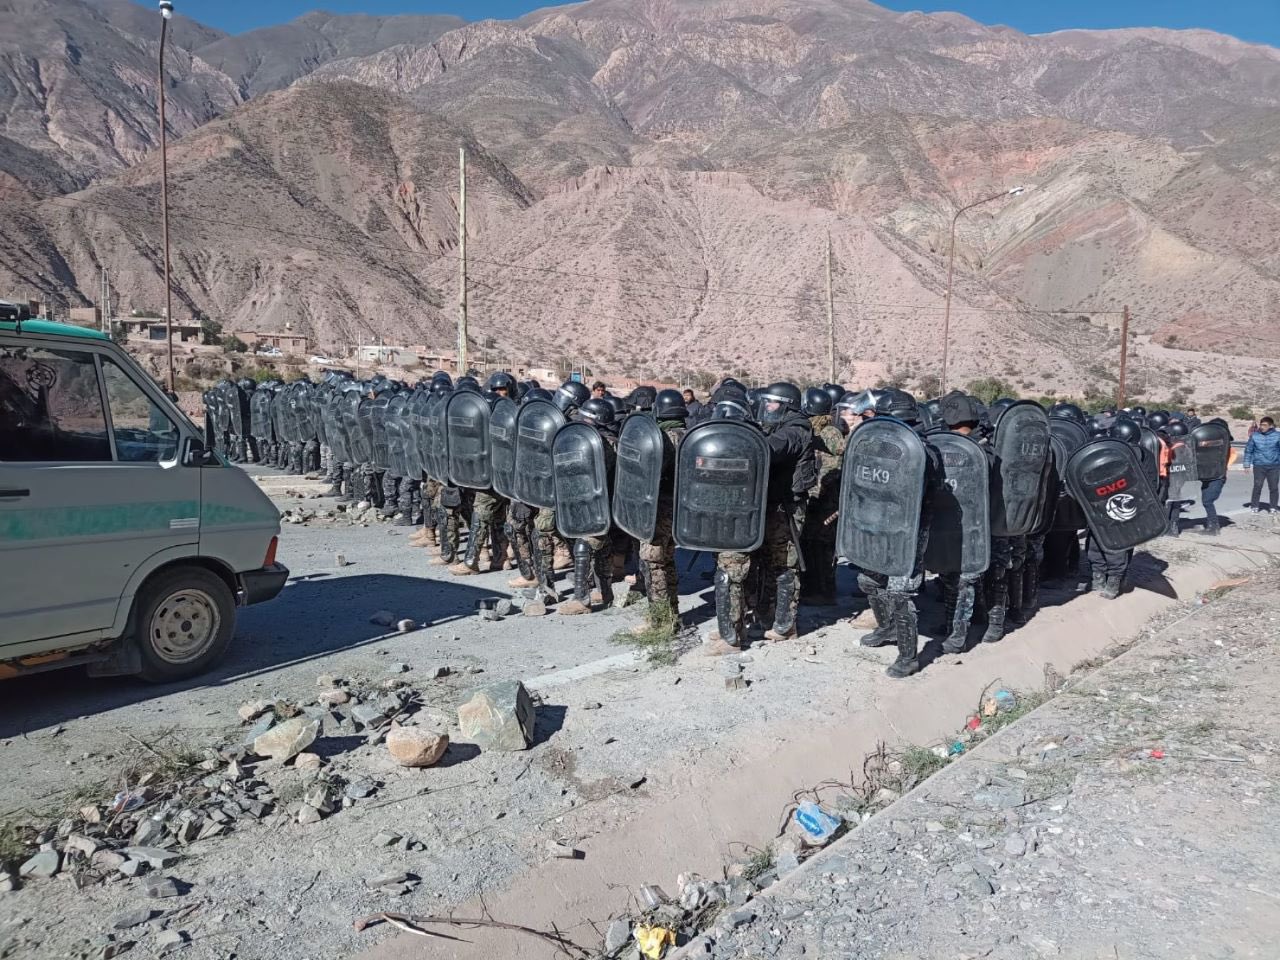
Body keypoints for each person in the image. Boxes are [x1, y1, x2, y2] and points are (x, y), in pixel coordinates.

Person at [1245, 416, 1280, 512]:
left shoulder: (1278, 436)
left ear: (1271, 426)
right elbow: (1248, 450)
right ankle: (1254, 506)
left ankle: (1273, 507)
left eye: (1264, 425)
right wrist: (1247, 465)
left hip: (1274, 466)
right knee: (1257, 486)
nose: (1261, 427)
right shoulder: (1254, 436)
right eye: (1261, 425)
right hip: (1259, 465)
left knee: (1273, 487)